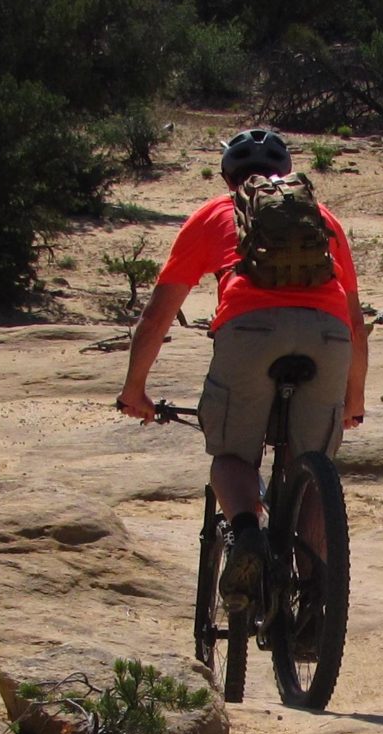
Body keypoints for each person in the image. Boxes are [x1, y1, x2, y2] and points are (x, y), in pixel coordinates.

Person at [115, 126, 369, 603]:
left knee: (232, 455)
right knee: (309, 464)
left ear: (229, 177)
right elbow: (356, 324)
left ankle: (247, 532)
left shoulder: (215, 213)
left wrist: (135, 389)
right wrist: (354, 398)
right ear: (287, 175)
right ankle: (316, 599)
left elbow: (156, 317)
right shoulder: (323, 218)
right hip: (328, 336)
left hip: (250, 331)